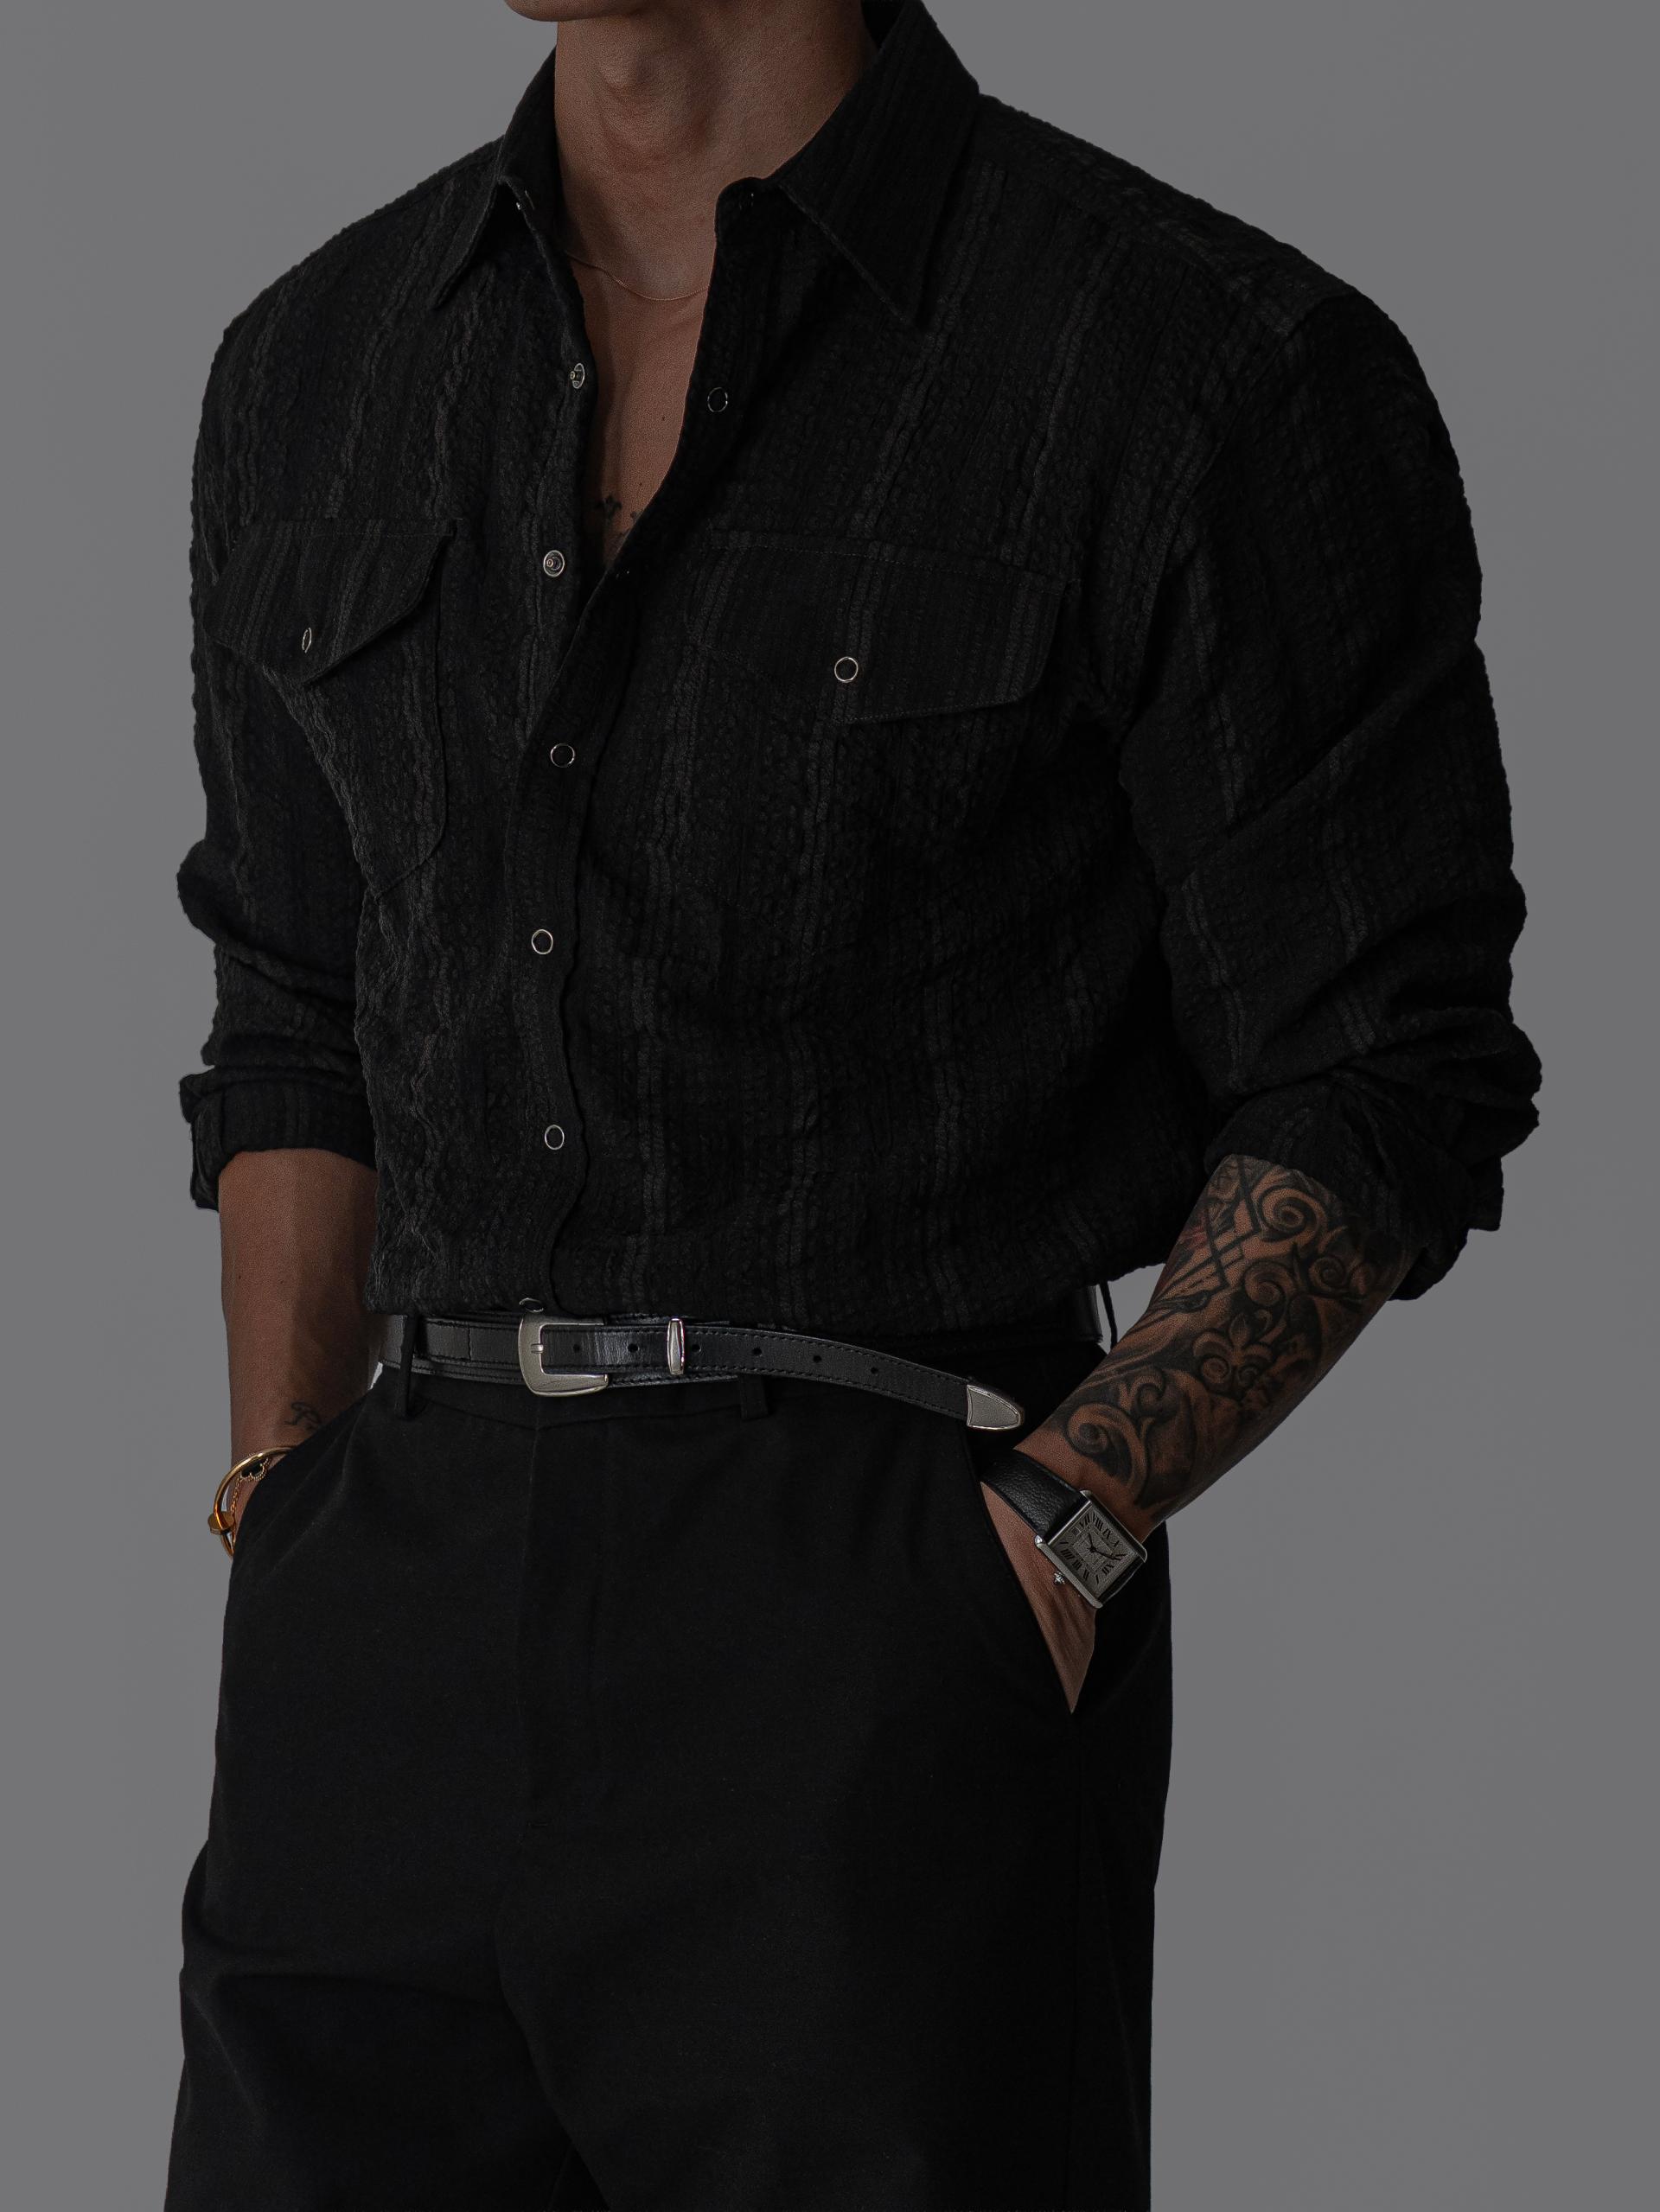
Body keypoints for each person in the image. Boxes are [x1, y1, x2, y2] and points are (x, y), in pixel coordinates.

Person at [163, 2, 1542, 2205]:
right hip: (390, 1628)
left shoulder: (1193, 363)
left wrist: (1055, 1536)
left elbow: (1382, 1057)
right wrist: (284, 1512)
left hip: (878, 1608)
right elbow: (294, 1002)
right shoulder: (316, 364)